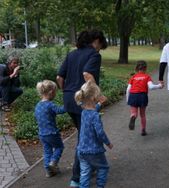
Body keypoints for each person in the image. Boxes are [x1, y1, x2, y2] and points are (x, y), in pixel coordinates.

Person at [56, 30, 107, 187]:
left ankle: (88, 166)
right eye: (100, 46)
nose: (99, 50)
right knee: (84, 138)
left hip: (69, 99)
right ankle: (76, 178)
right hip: (84, 102)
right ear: (96, 41)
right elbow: (87, 74)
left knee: (84, 134)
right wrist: (98, 96)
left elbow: (59, 78)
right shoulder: (94, 55)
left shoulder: (72, 54)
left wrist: (67, 92)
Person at [74, 80, 113, 188]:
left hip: (81, 150)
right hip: (94, 150)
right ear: (93, 98)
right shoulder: (95, 116)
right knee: (103, 168)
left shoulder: (84, 112)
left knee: (85, 172)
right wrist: (108, 143)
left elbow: (91, 109)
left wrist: (100, 104)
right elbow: (100, 133)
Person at [34, 80, 65, 177]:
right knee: (59, 147)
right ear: (51, 92)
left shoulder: (38, 105)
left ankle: (48, 171)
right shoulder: (50, 104)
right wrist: (68, 105)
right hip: (52, 133)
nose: (55, 94)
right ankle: (53, 162)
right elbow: (60, 110)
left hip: (42, 134)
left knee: (47, 151)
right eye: (55, 92)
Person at [126, 60, 163, 136]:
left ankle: (133, 117)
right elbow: (151, 87)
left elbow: (128, 89)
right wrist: (159, 86)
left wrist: (128, 99)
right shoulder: (147, 76)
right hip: (142, 96)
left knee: (134, 113)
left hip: (133, 95)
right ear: (145, 68)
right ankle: (143, 130)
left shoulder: (133, 77)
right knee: (142, 114)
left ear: (137, 68)